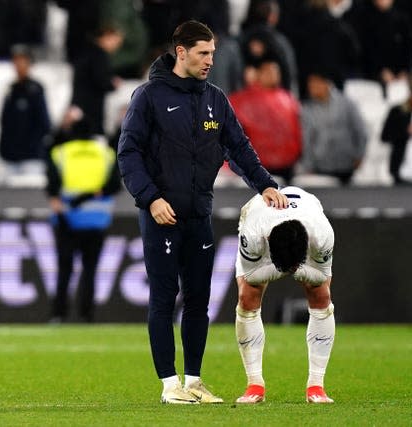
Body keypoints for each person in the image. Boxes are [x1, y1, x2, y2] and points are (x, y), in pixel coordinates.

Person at [117, 20, 288, 405]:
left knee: (199, 300)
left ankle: (193, 381)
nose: (211, 60)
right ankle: (168, 385)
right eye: (203, 53)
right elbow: (128, 154)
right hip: (161, 214)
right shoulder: (148, 97)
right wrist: (151, 198)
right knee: (163, 298)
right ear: (181, 52)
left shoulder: (215, 99)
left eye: (212, 53)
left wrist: (265, 185)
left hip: (198, 214)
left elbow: (239, 148)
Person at [233, 185, 335, 404]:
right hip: (257, 213)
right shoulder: (253, 234)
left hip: (307, 210)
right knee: (247, 296)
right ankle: (254, 385)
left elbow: (323, 280)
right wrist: (283, 269)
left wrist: (299, 270)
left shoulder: (322, 235)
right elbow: (250, 276)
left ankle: (316, 386)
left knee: (320, 295)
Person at [46, 109, 121, 323]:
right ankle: (86, 315)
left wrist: (64, 208)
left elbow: (52, 188)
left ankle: (58, 314)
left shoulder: (60, 153)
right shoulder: (105, 153)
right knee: (90, 270)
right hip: (97, 221)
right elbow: (114, 185)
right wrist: (92, 194)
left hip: (67, 220)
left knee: (64, 269)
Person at [229, 56, 302, 184]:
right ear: (257, 74)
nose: (273, 75)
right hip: (257, 166)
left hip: (288, 167)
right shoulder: (242, 100)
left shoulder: (288, 99)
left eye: (276, 72)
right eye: (268, 71)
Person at [301, 70, 367, 184]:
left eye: (315, 83)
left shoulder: (347, 103)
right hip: (320, 166)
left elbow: (360, 131)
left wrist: (359, 155)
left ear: (326, 83)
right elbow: (306, 139)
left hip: (346, 164)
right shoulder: (307, 109)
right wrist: (308, 165)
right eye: (310, 84)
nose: (311, 87)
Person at [0, 45, 51, 175]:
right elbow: (5, 121)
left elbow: (44, 123)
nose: (18, 65)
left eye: (22, 60)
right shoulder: (11, 89)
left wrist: (34, 145)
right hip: (11, 157)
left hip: (31, 157)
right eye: (16, 61)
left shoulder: (35, 90)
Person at [70, 24, 123, 136]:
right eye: (116, 41)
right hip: (91, 109)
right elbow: (101, 80)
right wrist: (113, 84)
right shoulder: (99, 55)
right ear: (106, 37)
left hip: (78, 105)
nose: (117, 46)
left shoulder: (85, 50)